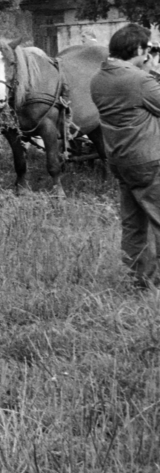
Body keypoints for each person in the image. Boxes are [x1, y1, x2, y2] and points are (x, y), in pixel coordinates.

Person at [89, 23, 160, 291]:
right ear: (140, 49)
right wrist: (153, 69)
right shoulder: (140, 80)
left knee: (133, 223)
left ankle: (138, 280)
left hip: (120, 160)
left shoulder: (98, 78)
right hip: (149, 160)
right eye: (147, 48)